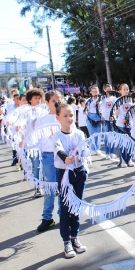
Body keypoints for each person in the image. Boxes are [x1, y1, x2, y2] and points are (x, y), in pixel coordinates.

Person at [53, 103, 87, 258]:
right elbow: (58, 149)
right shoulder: (57, 135)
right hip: (64, 174)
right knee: (66, 208)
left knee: (76, 205)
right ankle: (66, 240)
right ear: (58, 117)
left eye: (71, 115)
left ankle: (75, 237)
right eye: (65, 115)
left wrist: (80, 156)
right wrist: (65, 158)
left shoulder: (79, 133)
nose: (69, 118)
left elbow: (84, 151)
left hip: (79, 172)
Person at [36, 90, 63, 232]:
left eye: (59, 99)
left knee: (64, 187)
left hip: (63, 156)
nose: (57, 102)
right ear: (47, 103)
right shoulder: (42, 119)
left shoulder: (64, 116)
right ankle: (47, 218)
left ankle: (63, 215)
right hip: (48, 156)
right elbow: (37, 138)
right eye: (54, 100)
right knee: (49, 187)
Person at [115, 84, 134, 168]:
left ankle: (129, 159)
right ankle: (122, 160)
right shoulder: (118, 100)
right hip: (120, 125)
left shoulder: (130, 100)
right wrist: (119, 117)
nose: (126, 91)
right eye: (124, 89)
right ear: (120, 91)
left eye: (127, 89)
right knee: (123, 143)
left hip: (130, 125)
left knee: (130, 143)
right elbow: (115, 113)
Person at [84, 85, 102, 155]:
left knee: (98, 133)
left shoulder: (102, 99)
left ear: (98, 91)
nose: (95, 93)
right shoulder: (88, 100)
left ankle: (97, 148)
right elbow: (85, 110)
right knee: (92, 134)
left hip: (99, 116)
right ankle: (92, 148)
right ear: (91, 92)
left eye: (96, 91)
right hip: (91, 117)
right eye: (93, 91)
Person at [101, 84, 117, 159]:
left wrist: (114, 116)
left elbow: (116, 108)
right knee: (106, 136)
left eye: (110, 89)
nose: (109, 90)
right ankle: (107, 153)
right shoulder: (102, 98)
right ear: (104, 90)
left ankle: (112, 152)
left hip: (112, 119)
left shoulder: (114, 98)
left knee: (112, 136)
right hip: (105, 119)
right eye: (107, 89)